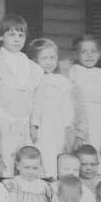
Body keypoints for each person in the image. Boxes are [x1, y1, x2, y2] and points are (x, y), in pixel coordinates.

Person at [0, 13, 42, 177]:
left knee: (23, 164)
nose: (17, 39)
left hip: (23, 122)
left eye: (21, 35)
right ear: (1, 36)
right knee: (2, 164)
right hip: (1, 121)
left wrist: (33, 124)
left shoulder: (32, 67)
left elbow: (34, 98)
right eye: (11, 35)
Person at [29, 39, 73, 179]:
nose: (49, 62)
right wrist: (33, 125)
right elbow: (35, 104)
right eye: (44, 58)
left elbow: (67, 107)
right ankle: (44, 179)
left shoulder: (62, 81)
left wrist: (68, 128)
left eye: (52, 57)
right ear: (35, 60)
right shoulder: (34, 80)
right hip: (42, 125)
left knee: (57, 153)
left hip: (58, 125)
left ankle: (55, 181)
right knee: (43, 153)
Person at [69, 34, 101, 150]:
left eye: (93, 51)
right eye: (84, 52)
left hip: (99, 116)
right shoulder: (74, 70)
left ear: (99, 54)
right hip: (80, 115)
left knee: (98, 145)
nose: (89, 55)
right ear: (76, 54)